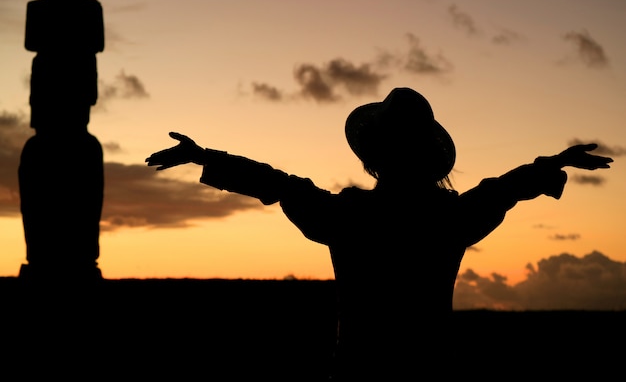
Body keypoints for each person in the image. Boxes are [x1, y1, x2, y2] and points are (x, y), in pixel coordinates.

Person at [145, 87, 612, 380]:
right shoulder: (448, 216)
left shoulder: (349, 215)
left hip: (358, 378)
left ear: (372, 155)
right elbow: (503, 190)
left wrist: (206, 157)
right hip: (430, 377)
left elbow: (278, 183)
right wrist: (551, 165)